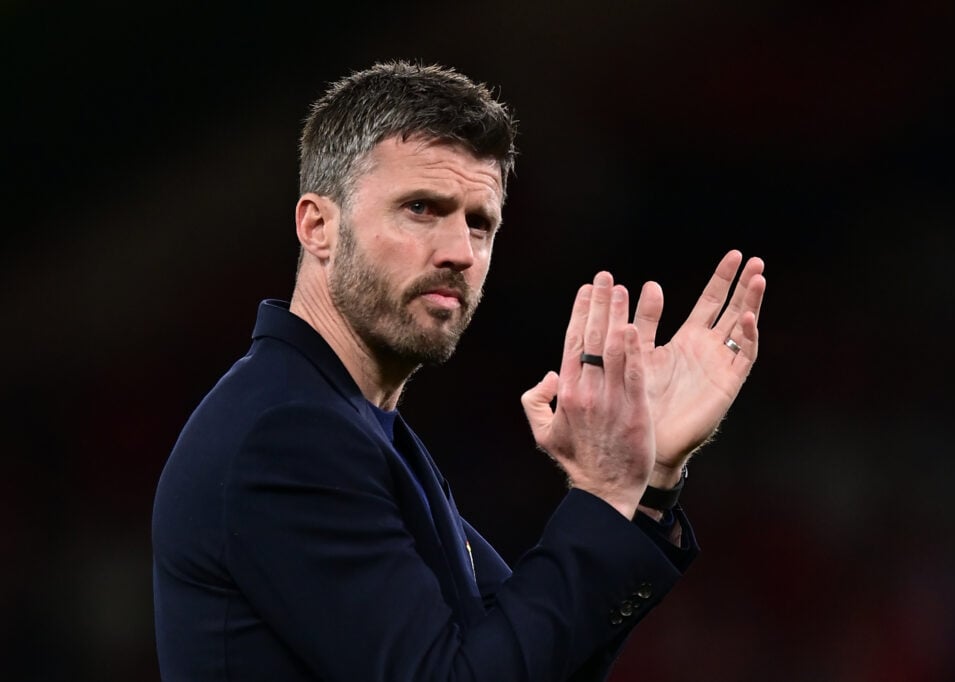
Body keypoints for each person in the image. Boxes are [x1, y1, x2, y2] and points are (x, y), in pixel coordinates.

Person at [151, 60, 766, 681]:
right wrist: (606, 494)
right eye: (421, 208)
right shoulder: (287, 436)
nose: (460, 253)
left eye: (480, 223)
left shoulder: (353, 425)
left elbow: (528, 660)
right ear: (318, 227)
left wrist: (646, 478)